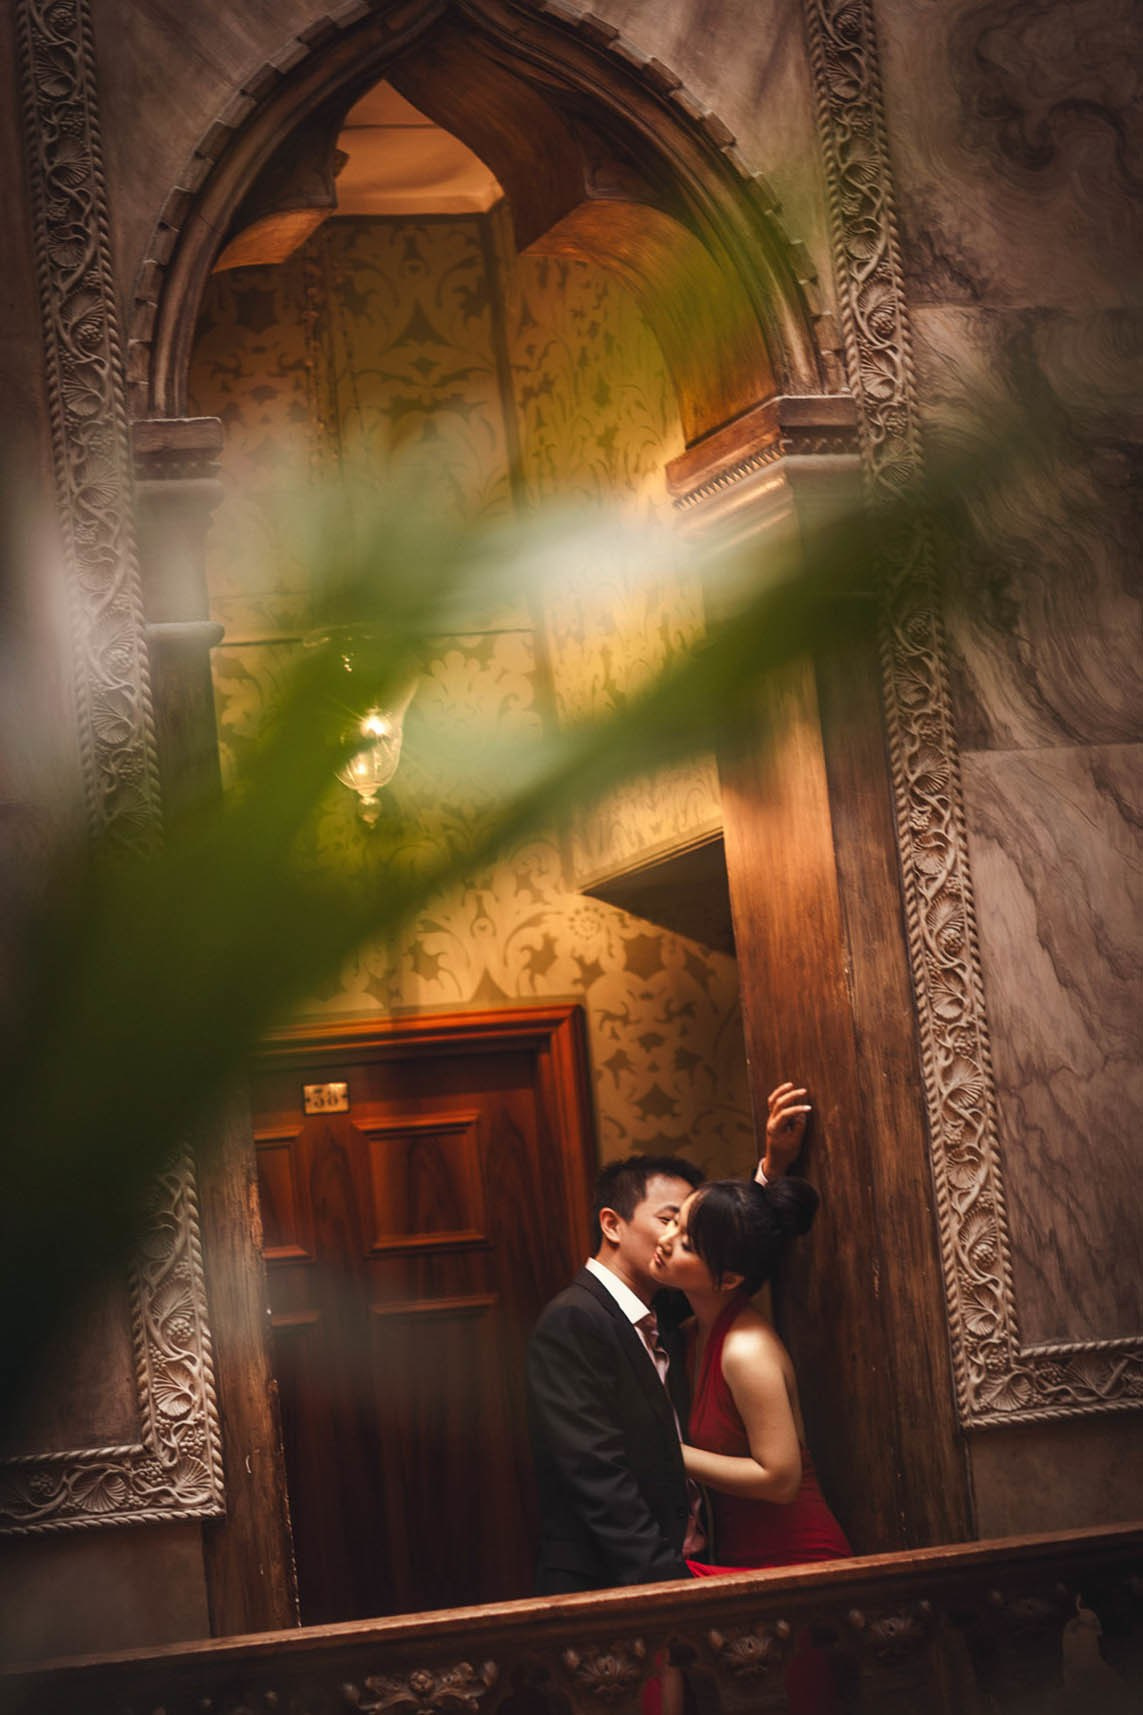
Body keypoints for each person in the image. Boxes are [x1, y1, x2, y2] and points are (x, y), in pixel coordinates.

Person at [525, 1085, 809, 1596]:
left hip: (698, 1566)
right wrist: (670, 1589)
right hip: (622, 1580)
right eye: (669, 1219)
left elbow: (728, 1253)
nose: (675, 1237)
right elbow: (599, 1477)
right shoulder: (573, 1320)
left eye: (686, 1225)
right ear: (611, 1224)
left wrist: (771, 1171)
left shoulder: (671, 1305)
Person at [649, 1145, 852, 1714]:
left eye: (687, 1242)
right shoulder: (693, 1334)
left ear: (730, 1276)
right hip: (748, 1563)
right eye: (675, 1222)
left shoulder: (746, 1348)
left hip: (797, 1564)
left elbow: (781, 1477)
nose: (667, 1240)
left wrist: (670, 1454)